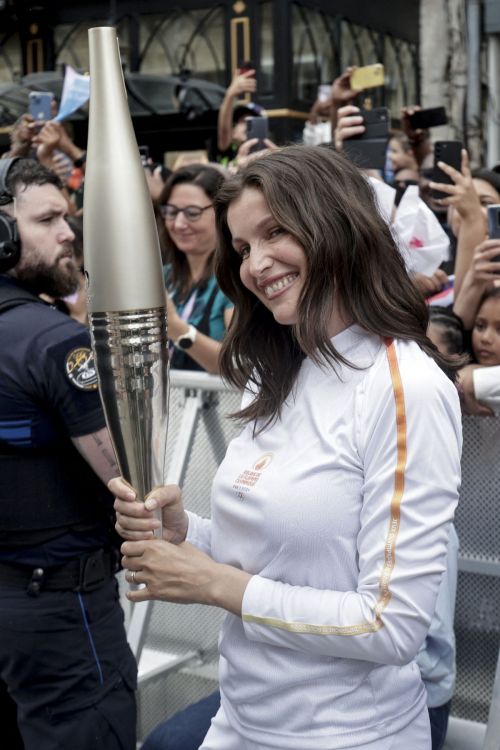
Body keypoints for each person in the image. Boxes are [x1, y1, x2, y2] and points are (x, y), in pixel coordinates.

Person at [113, 145, 462, 749]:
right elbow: (281, 556)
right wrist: (185, 533)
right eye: (244, 248)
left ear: (335, 225)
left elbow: (390, 625)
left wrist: (211, 583)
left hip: (348, 736)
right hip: (242, 722)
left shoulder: (405, 388)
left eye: (275, 232)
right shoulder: (275, 371)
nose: (255, 264)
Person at [0, 158, 137, 750]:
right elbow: (129, 478)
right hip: (60, 608)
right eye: (48, 219)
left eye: (69, 217)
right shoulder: (54, 343)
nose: (68, 233)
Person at [157, 164, 233, 373]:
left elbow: (240, 364)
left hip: (219, 404)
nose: (179, 224)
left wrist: (178, 330)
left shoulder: (236, 279)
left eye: (192, 213)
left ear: (222, 213)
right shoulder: (163, 276)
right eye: (171, 212)